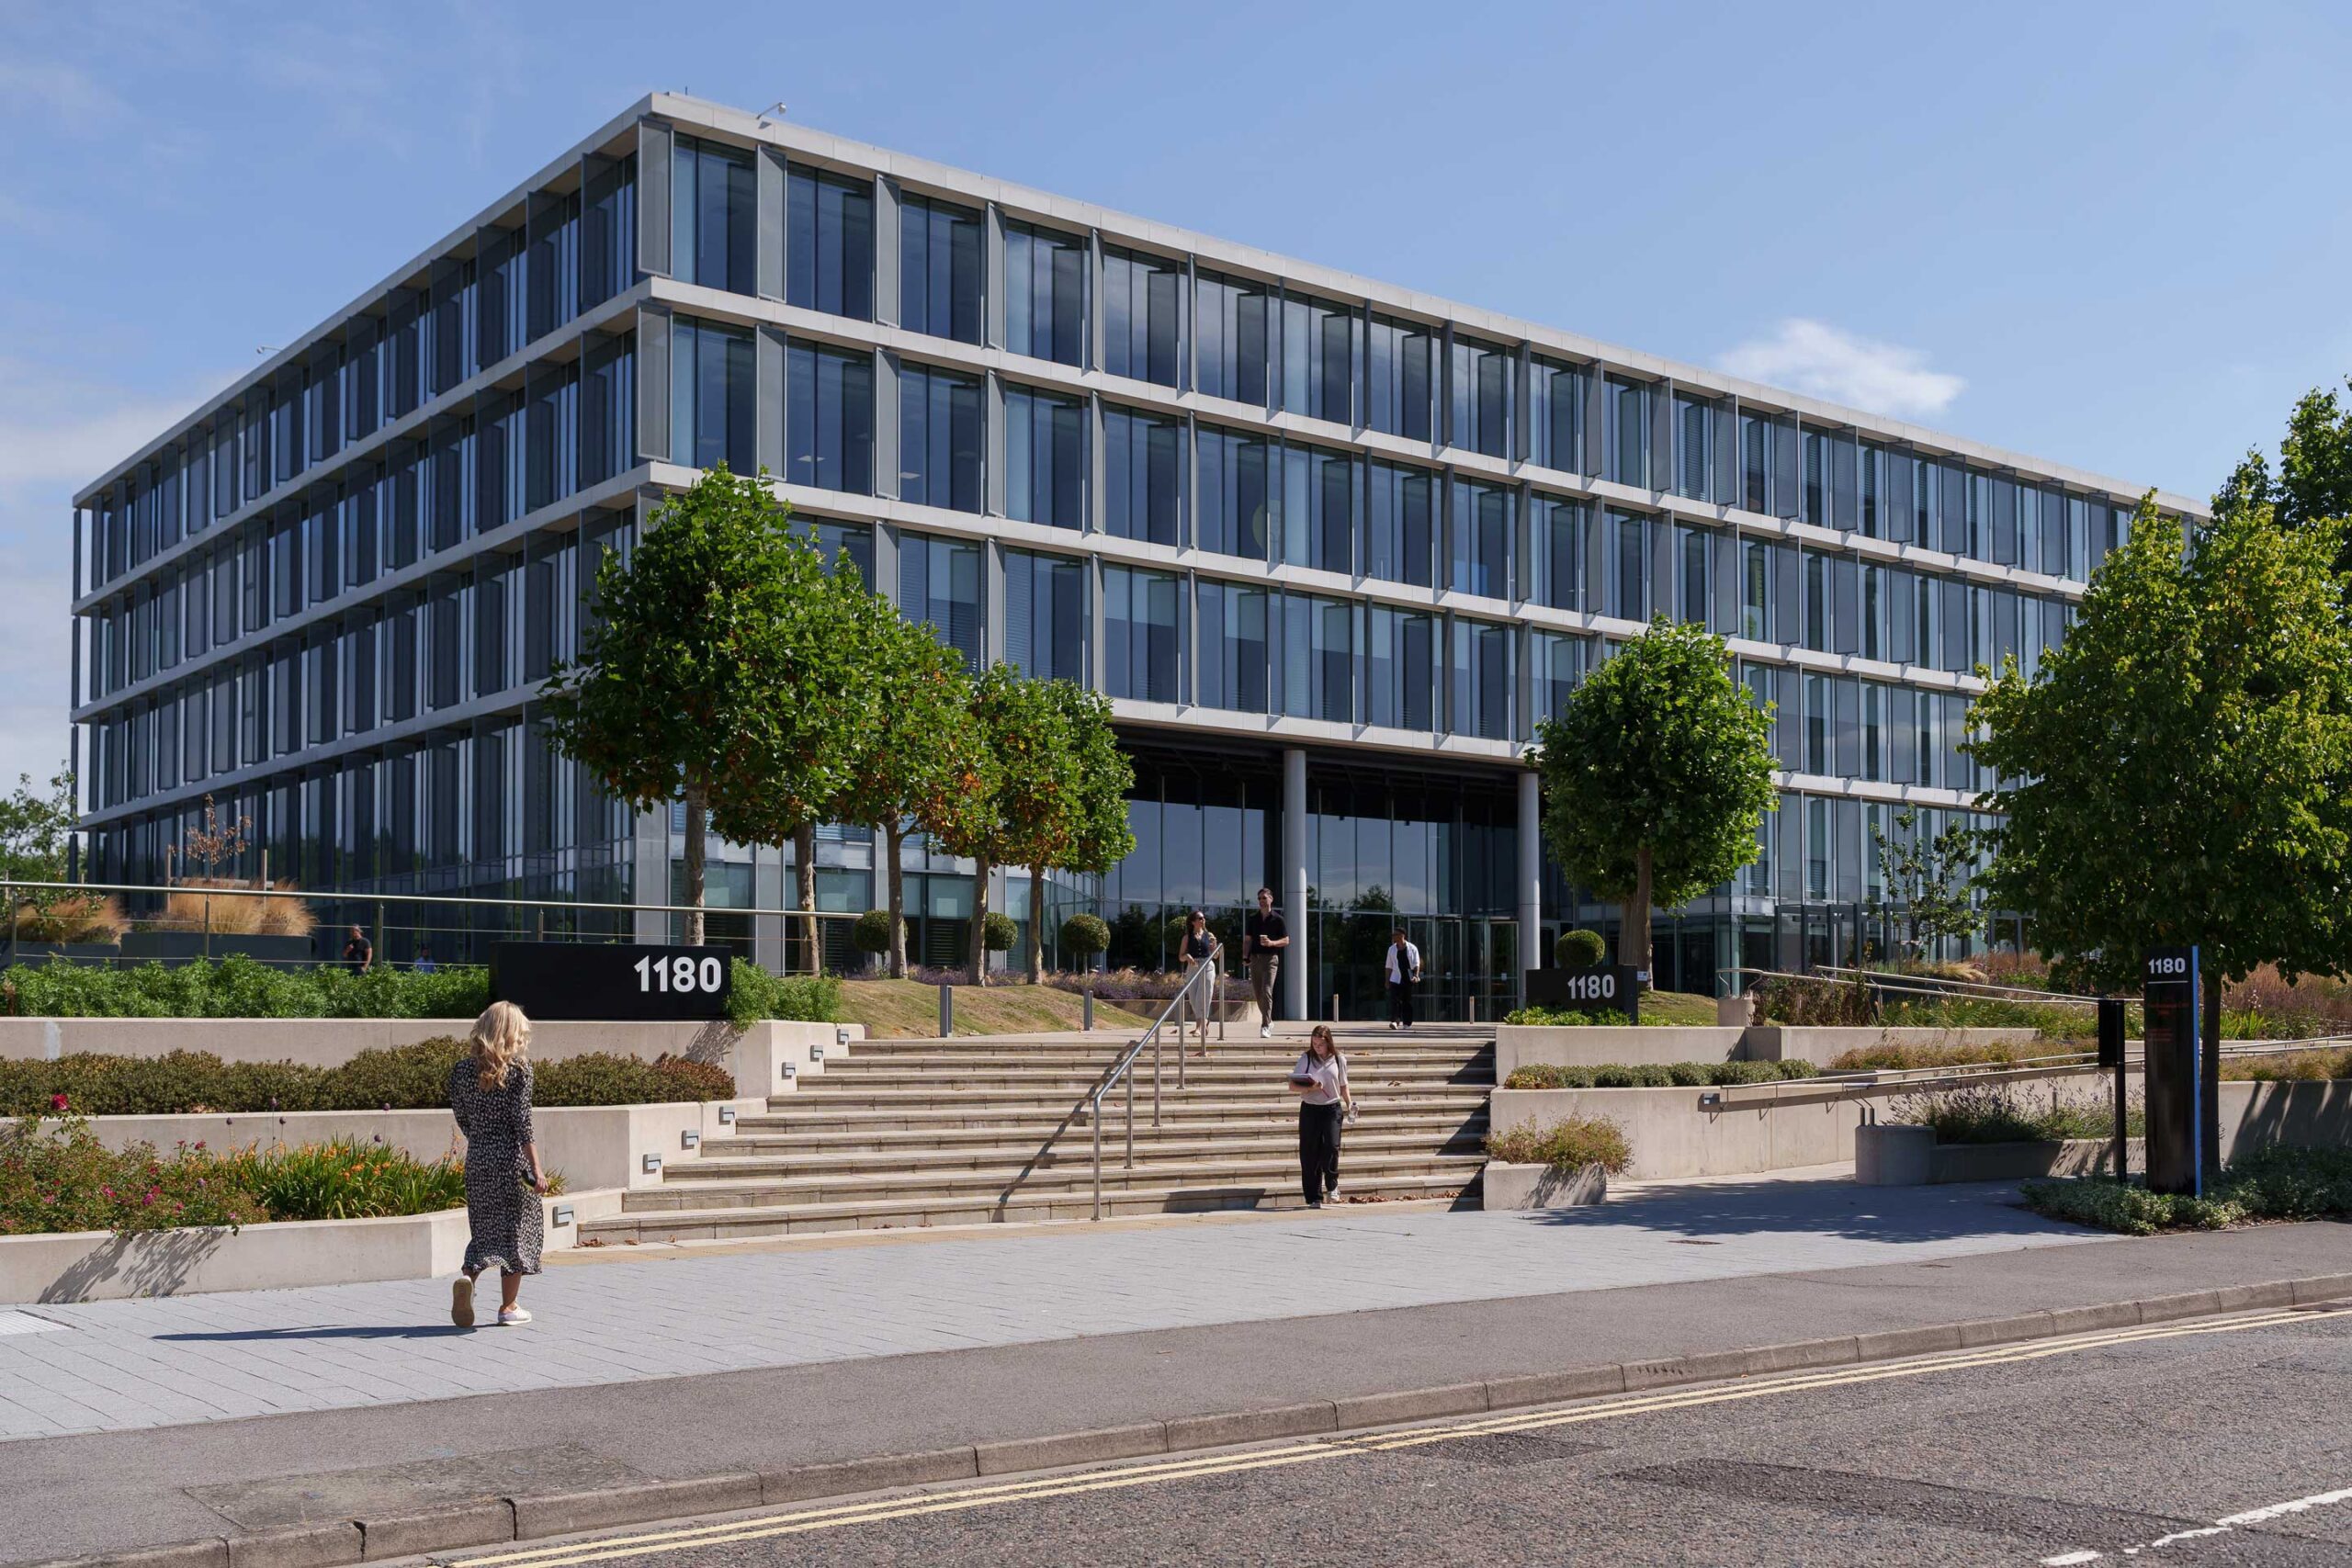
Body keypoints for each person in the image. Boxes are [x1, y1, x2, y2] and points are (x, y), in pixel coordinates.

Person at [447, 1000, 548, 1327]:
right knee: (517, 1232)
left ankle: (468, 1282)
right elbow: (523, 1124)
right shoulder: (519, 1071)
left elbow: (462, 1117)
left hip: (478, 1159)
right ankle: (508, 1307)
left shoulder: (462, 1071)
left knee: (484, 1230)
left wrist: (481, 1140)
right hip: (511, 1162)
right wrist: (537, 1170)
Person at [1286, 1024, 1351, 1208]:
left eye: (1321, 1044)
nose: (1317, 1047)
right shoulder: (1306, 1058)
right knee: (1309, 1152)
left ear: (1329, 1042)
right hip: (1310, 1109)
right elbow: (1292, 1086)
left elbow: (1343, 1086)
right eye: (1314, 1044)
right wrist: (1310, 1088)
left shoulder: (1339, 1059)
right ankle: (1314, 1196)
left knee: (1331, 1146)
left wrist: (1350, 1104)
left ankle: (1332, 1185)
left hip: (1332, 1109)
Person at [1244, 886, 1288, 1039]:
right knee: (1258, 994)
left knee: (1266, 990)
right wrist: (1245, 956)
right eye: (1260, 898)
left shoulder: (1278, 919)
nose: (1262, 901)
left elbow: (1286, 940)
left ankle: (1264, 1026)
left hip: (1270, 959)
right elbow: (1248, 940)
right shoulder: (1253, 919)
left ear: (1271, 899)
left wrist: (1271, 943)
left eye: (1264, 898)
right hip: (1255, 959)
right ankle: (1269, 1020)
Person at [1178, 909, 1217, 1053]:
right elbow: (1180, 956)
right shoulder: (1187, 937)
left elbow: (1216, 955)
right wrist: (1187, 956)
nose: (1203, 920)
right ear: (1193, 922)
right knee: (1193, 998)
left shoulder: (1210, 935)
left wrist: (1214, 948)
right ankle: (1204, 1021)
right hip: (1193, 967)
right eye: (1199, 918)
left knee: (1203, 996)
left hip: (1207, 966)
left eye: (1203, 918)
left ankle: (1199, 1027)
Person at [1385, 928, 1421, 1031]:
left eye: (1395, 935)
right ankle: (1395, 1021)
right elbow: (1388, 966)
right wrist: (1387, 981)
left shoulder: (1412, 948)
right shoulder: (1391, 949)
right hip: (1395, 978)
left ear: (1402, 935)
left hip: (1408, 978)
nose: (1393, 937)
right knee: (1395, 1001)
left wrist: (1416, 975)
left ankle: (1407, 1023)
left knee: (1407, 1001)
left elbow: (1416, 964)